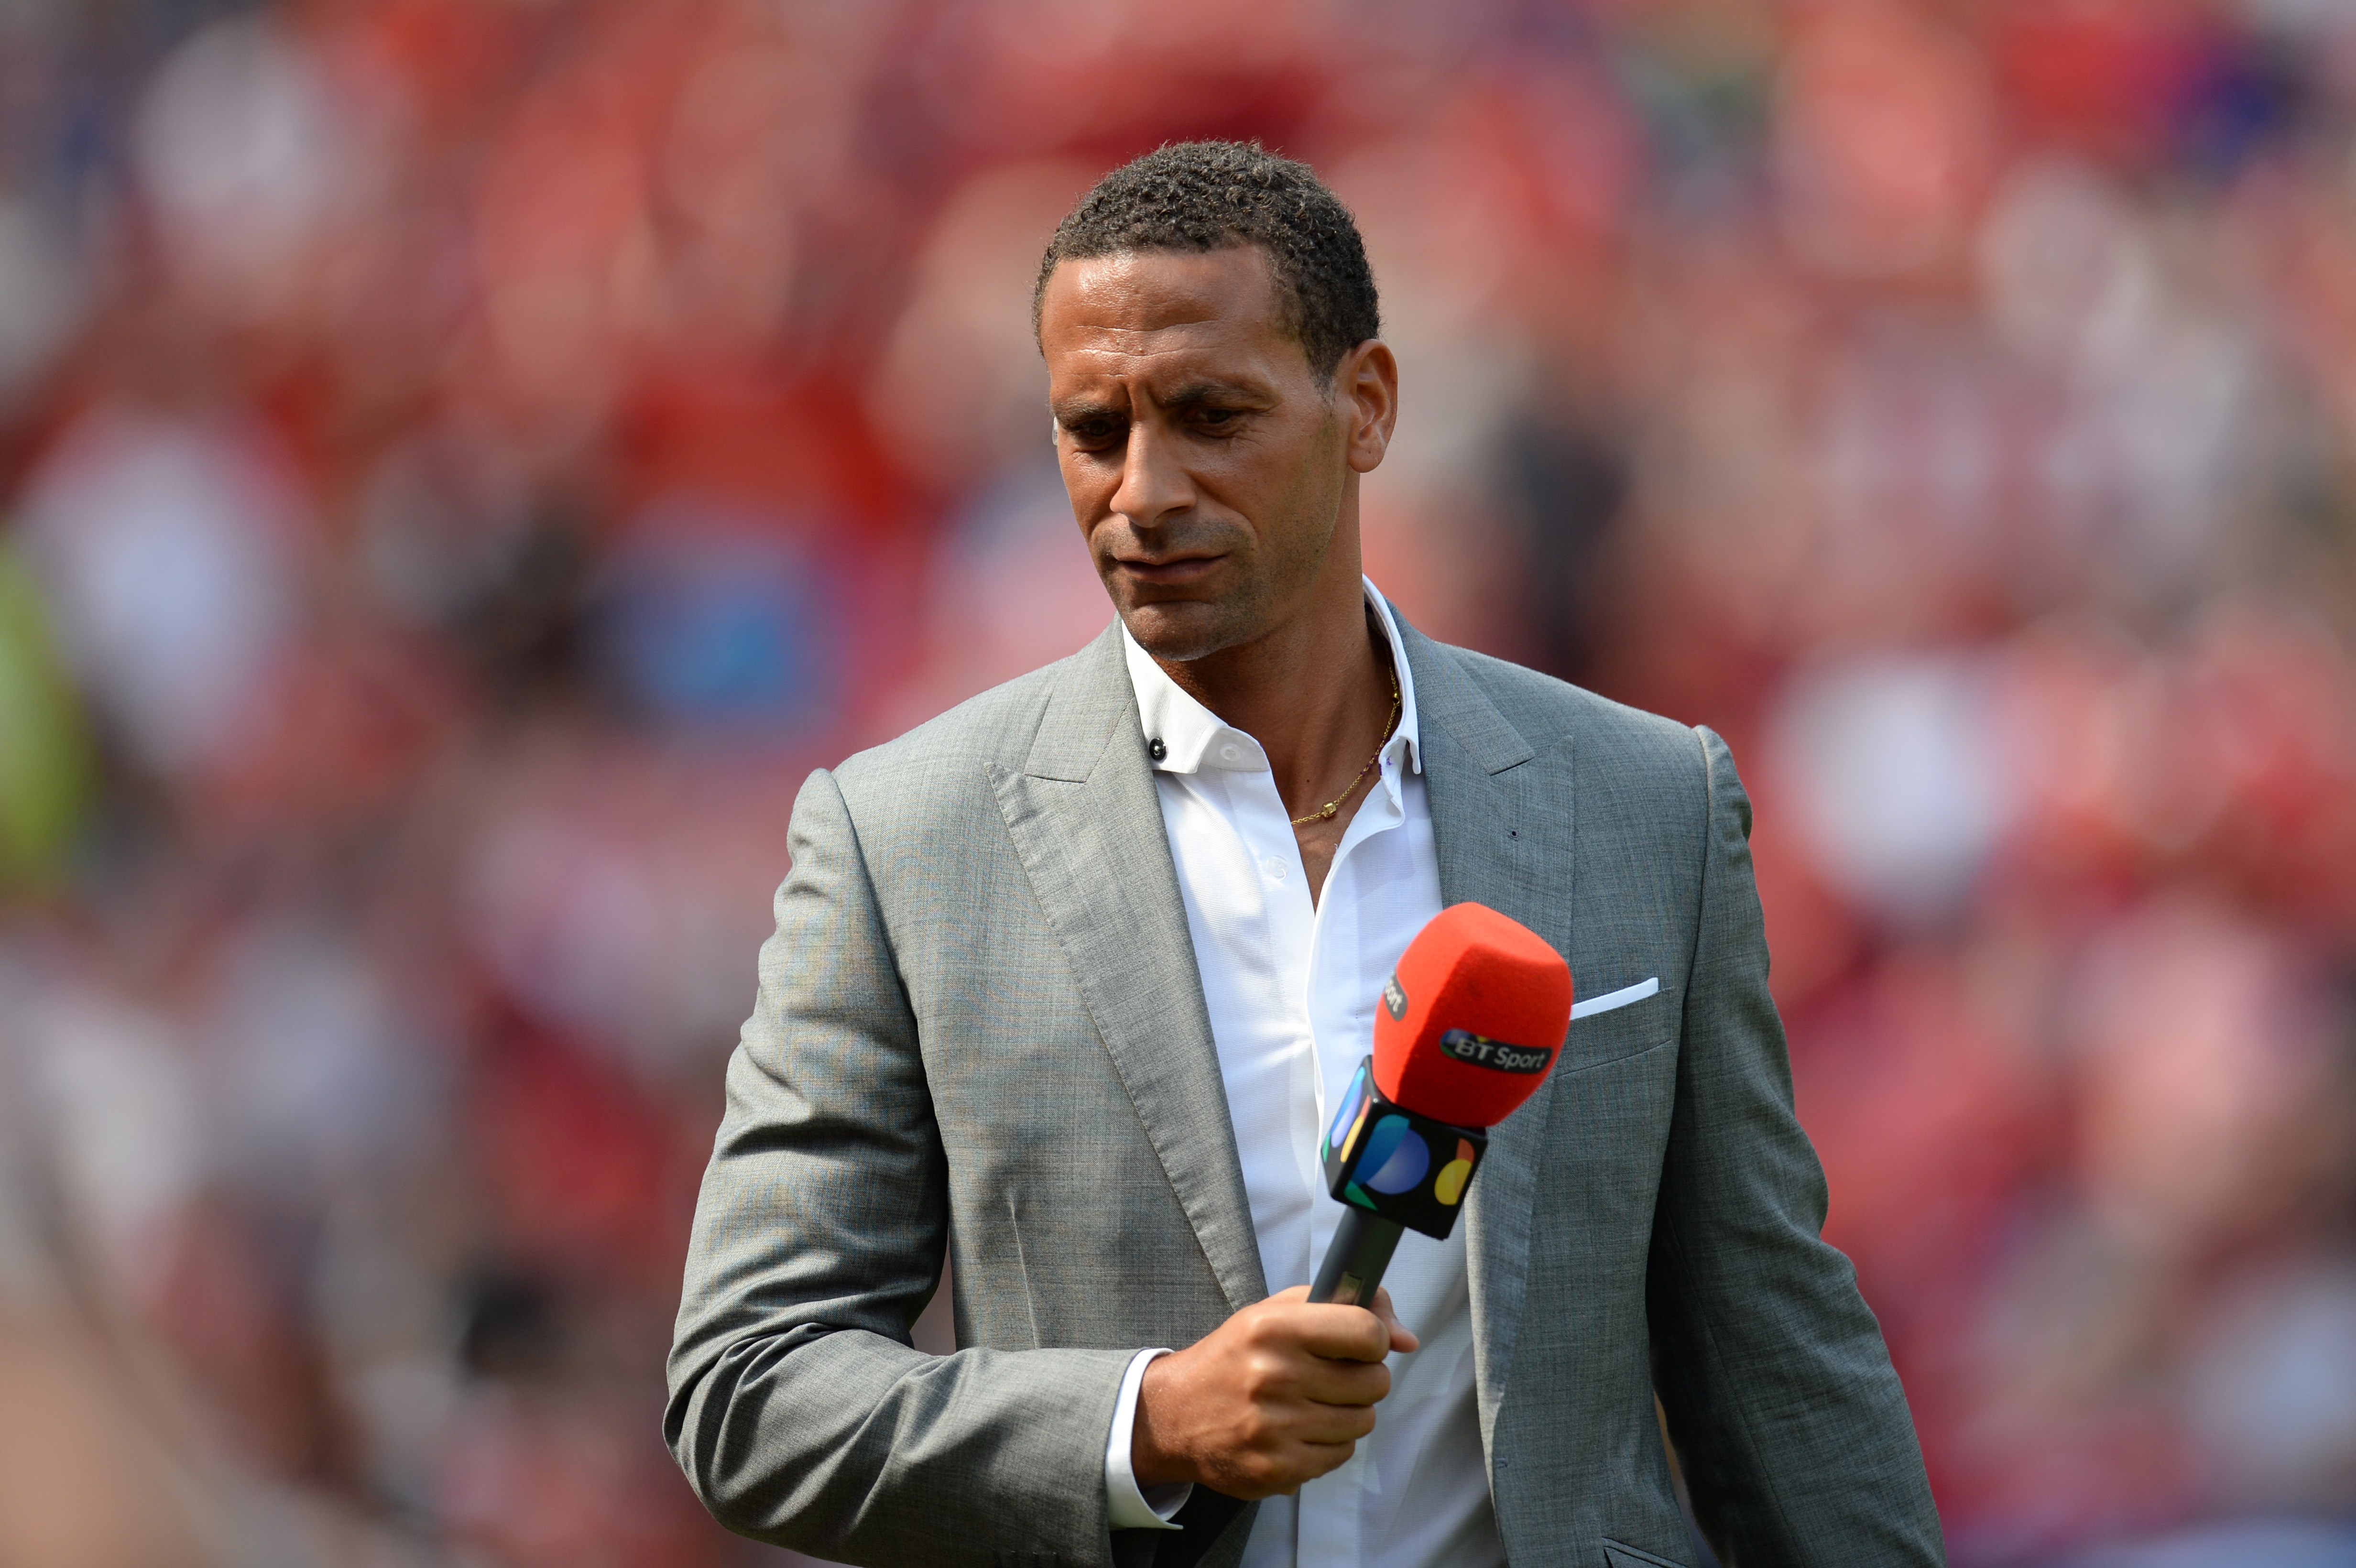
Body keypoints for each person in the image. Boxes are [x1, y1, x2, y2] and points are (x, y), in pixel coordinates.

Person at [666, 142, 1943, 1568]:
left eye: (1212, 416)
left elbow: (1780, 1358)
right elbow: (747, 1384)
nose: (1144, 490)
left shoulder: (1648, 804)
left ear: (1368, 406)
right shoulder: (902, 840)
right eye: (1094, 429)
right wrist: (1145, 1423)